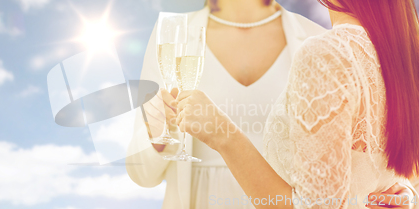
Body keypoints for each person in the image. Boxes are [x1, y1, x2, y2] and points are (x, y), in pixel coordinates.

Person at [126, 0, 416, 208]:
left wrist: (405, 193)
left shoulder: (319, 39)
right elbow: (140, 172)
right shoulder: (173, 36)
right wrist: (160, 133)